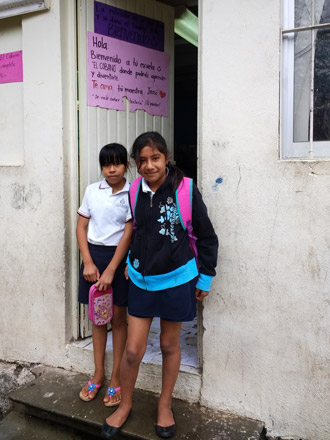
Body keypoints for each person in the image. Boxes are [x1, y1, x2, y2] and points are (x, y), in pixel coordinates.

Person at [101, 132, 218, 439]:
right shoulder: (135, 189)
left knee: (169, 345)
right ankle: (124, 405)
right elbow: (138, 231)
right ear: (134, 164)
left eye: (155, 158)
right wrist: (129, 263)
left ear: (166, 158)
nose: (149, 166)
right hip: (141, 280)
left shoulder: (185, 189)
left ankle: (164, 405)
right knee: (133, 350)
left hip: (177, 280)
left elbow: (207, 237)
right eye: (142, 161)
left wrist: (205, 277)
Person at [77, 143, 133, 407]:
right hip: (94, 259)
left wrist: (112, 269)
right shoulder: (92, 190)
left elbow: (129, 232)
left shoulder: (133, 192)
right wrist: (88, 262)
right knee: (98, 319)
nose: (111, 169)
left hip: (119, 260)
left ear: (126, 165)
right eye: (106, 164)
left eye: (117, 163)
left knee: (119, 318)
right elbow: (82, 226)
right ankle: (98, 373)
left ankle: (115, 378)